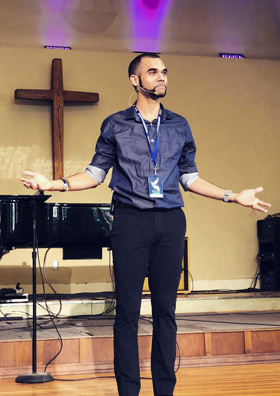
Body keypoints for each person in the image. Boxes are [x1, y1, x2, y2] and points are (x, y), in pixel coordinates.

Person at [21, 53, 271, 396]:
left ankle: (164, 390)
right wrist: (55, 183)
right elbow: (95, 175)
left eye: (164, 72)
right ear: (135, 80)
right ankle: (129, 391)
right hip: (130, 222)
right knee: (127, 311)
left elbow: (190, 177)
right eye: (153, 72)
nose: (161, 77)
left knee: (165, 311)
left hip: (170, 222)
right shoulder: (115, 124)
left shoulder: (179, 125)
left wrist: (232, 195)